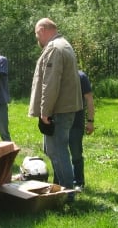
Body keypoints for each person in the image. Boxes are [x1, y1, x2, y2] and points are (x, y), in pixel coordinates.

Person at [29, 18, 82, 192]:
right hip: (65, 108)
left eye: (37, 33)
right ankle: (59, 188)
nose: (37, 38)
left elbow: (50, 84)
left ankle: (66, 193)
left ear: (43, 30)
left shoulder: (54, 49)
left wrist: (45, 112)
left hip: (57, 110)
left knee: (58, 151)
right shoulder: (64, 44)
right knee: (55, 150)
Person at [65, 70, 95, 189]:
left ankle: (78, 182)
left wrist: (90, 121)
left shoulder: (81, 77)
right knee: (59, 153)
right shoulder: (57, 74)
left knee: (76, 153)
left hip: (76, 122)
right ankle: (63, 181)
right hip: (60, 121)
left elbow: (89, 98)